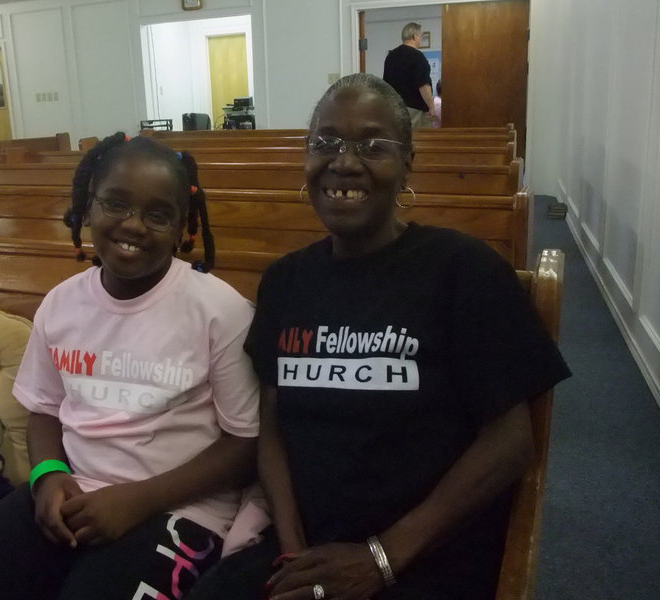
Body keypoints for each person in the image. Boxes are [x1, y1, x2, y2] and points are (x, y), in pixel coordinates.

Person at [185, 73, 570, 600]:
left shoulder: (464, 271)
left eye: (372, 145)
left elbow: (509, 443)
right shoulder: (286, 280)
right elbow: (272, 425)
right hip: (305, 553)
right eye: (325, 143)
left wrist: (380, 560)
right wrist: (295, 555)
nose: (344, 162)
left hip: (425, 555)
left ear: (408, 161)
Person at [0, 133, 260, 600]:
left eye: (158, 215)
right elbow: (44, 411)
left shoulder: (220, 311)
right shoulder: (62, 304)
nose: (133, 225)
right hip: (70, 495)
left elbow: (245, 444)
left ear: (183, 228)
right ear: (87, 208)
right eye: (116, 204)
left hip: (178, 511)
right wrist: (49, 476)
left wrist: (136, 501)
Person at [383, 22, 438, 128]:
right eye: (421, 36)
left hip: (394, 110)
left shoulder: (391, 56)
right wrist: (432, 107)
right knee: (419, 142)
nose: (421, 39)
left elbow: (386, 85)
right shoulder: (418, 57)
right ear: (414, 36)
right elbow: (423, 85)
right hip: (415, 111)